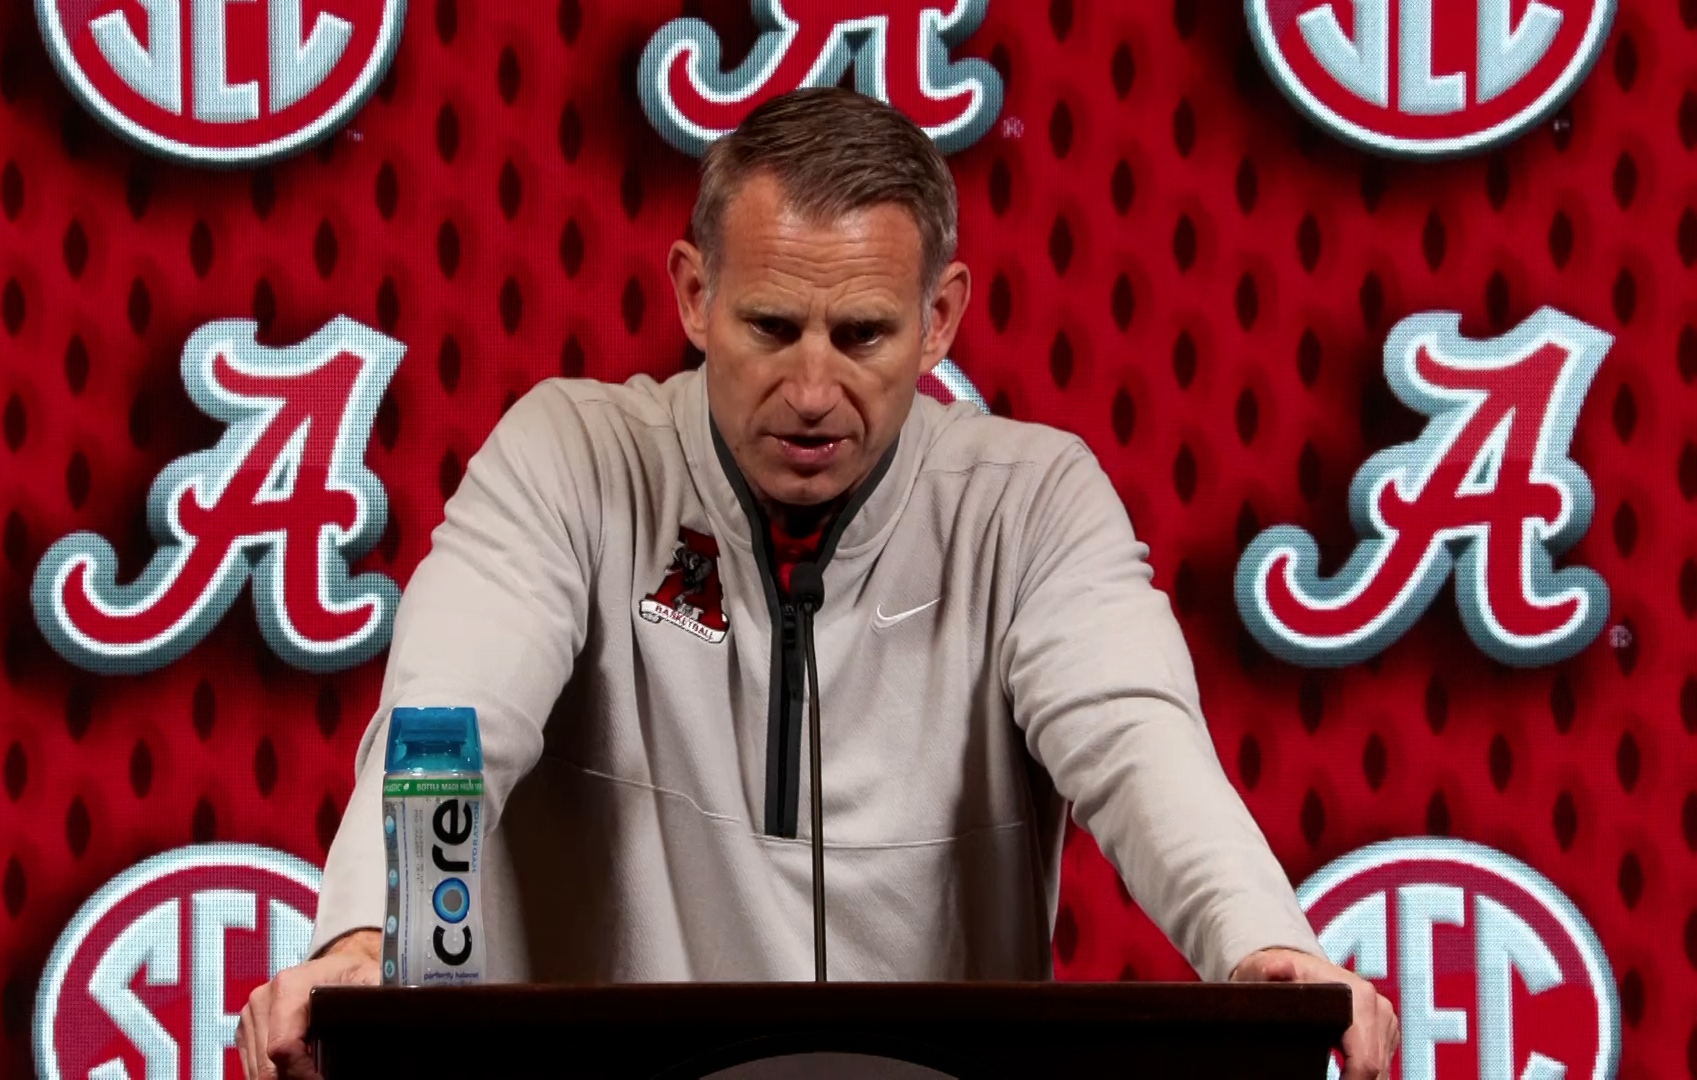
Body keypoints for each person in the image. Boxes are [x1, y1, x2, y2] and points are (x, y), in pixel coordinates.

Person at [237, 87, 1400, 1079]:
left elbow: (1135, 739)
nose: (808, 389)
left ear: (939, 320)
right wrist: (362, 945)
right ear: (695, 297)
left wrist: (1263, 945)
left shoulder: (1032, 499)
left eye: (860, 335)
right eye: (770, 325)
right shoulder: (568, 458)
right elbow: (450, 715)